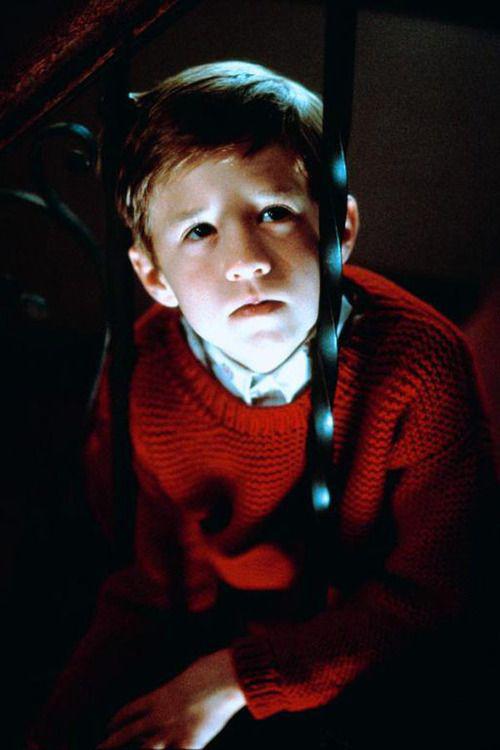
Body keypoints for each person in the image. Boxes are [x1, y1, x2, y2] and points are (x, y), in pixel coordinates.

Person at [29, 60, 497, 750]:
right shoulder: (146, 376)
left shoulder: (421, 367)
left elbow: (434, 593)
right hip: (224, 632)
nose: (245, 258)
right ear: (154, 276)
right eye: (199, 231)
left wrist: (234, 680)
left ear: (340, 228)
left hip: (387, 653)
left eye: (274, 212)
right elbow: (157, 587)